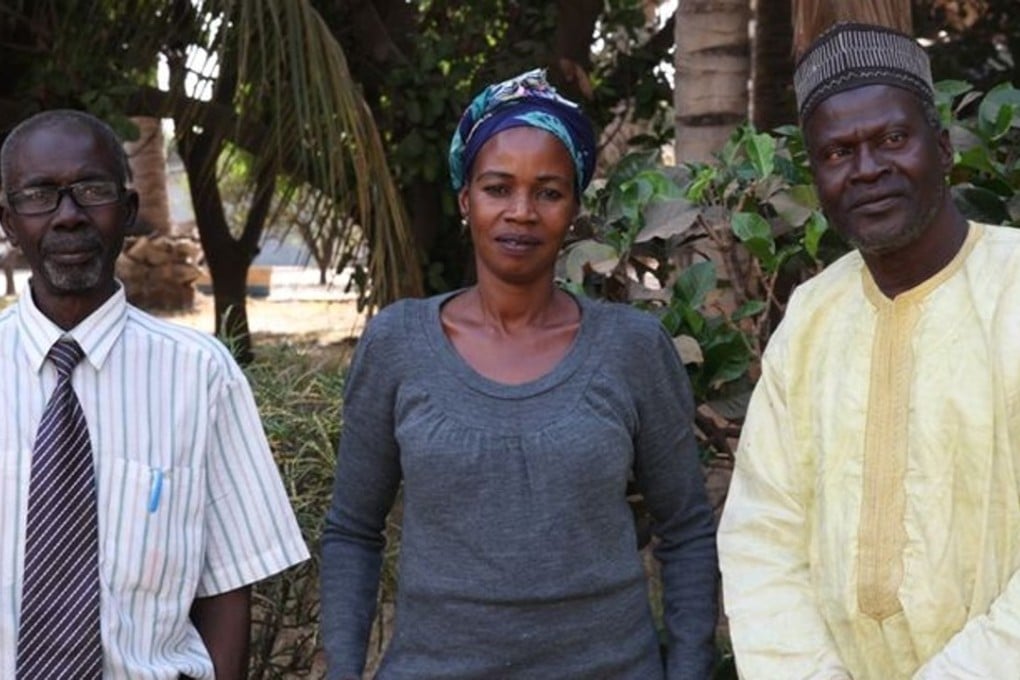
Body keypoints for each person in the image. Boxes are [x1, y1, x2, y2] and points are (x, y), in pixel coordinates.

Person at [320, 69, 718, 679]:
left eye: (549, 192)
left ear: (575, 207)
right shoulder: (399, 345)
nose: (522, 212)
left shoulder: (632, 349)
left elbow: (687, 531)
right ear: (465, 200)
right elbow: (352, 531)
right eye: (498, 188)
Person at [717, 22, 1020, 679]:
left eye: (892, 138)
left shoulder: (1014, 290)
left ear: (941, 146)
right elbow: (763, 531)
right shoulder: (811, 318)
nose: (867, 169)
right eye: (837, 152)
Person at [0, 109, 309, 679]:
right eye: (40, 195)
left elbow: (227, 588)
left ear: (129, 211)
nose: (69, 216)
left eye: (92, 190)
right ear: (8, 222)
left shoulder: (200, 376)